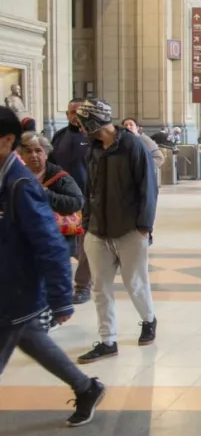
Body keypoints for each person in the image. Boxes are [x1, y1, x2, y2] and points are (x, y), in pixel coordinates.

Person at [0, 108, 106, 427]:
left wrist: (61, 297)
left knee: (23, 333)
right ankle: (87, 387)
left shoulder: (20, 186)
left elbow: (50, 242)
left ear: (6, 141)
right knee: (32, 338)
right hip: (9, 287)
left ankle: (87, 388)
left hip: (15, 290)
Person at [73, 99, 159, 364]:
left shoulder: (132, 146)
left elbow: (148, 187)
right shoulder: (94, 149)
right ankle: (107, 339)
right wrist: (87, 222)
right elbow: (90, 189)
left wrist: (144, 226)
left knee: (135, 283)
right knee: (100, 287)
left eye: (82, 121)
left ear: (95, 121)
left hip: (130, 229)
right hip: (98, 230)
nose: (79, 126)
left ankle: (148, 319)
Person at [51, 98, 92, 304]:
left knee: (85, 246)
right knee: (66, 245)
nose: (75, 116)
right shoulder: (58, 137)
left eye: (79, 112)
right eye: (72, 112)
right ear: (67, 115)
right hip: (64, 201)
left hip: (88, 200)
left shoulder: (94, 138)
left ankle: (83, 286)